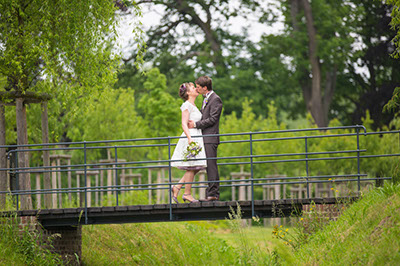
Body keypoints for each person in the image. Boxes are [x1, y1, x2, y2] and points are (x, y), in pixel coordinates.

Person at [170, 82, 207, 203]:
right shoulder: (186, 105)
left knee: (196, 166)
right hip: (191, 137)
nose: (196, 88)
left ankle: (177, 187)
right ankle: (187, 193)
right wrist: (190, 138)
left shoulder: (193, 105)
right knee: (192, 166)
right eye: (193, 87)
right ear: (188, 93)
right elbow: (183, 123)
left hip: (197, 136)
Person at [188, 76, 223, 201]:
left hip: (211, 138)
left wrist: (196, 124)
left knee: (211, 165)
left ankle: (213, 194)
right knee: (208, 165)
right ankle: (211, 193)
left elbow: (213, 119)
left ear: (205, 88)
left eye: (198, 88)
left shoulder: (216, 99)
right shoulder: (207, 99)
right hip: (205, 137)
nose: (197, 90)